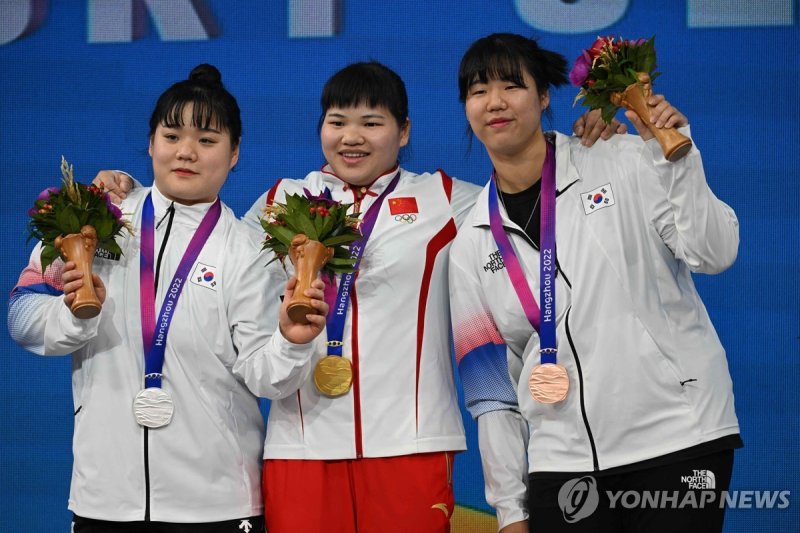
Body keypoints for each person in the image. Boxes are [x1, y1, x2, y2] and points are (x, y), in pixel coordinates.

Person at [93, 61, 622, 533]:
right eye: (338, 121)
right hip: (299, 452)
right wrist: (134, 192)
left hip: (411, 448)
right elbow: (194, 241)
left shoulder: (444, 199)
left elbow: (528, 185)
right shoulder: (281, 201)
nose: (353, 137)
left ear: (404, 131)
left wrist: (582, 142)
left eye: (372, 123)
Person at [7, 64, 328, 533]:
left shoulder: (247, 251)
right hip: (104, 499)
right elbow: (21, 314)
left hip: (217, 506)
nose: (186, 152)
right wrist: (72, 316)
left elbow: (267, 379)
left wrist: (292, 342)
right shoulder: (94, 218)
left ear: (235, 153)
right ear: (152, 142)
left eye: (207, 140)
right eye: (172, 135)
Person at [449, 33, 741, 533]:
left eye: (511, 85)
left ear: (544, 97)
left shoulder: (622, 160)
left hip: (677, 438)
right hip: (560, 463)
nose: (494, 102)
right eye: (478, 91)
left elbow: (714, 253)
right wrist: (510, 511)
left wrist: (677, 154)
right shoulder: (471, 242)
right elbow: (492, 390)